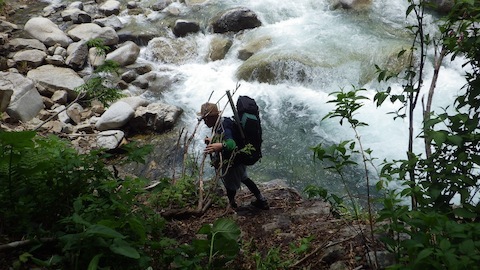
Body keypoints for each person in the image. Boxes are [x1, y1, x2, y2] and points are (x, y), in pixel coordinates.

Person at [198, 102, 269, 210]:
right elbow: (226, 138)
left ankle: (232, 205)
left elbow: (231, 144)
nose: (204, 121)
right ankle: (261, 199)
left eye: (205, 119)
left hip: (233, 163)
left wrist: (221, 146)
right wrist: (213, 141)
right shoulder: (223, 122)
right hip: (239, 157)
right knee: (245, 178)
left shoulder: (224, 127)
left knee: (230, 186)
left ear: (212, 117)